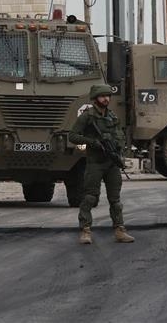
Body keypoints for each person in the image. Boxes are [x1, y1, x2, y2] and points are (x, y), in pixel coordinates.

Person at [69, 84, 134, 245]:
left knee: (115, 200)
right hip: (95, 163)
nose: (106, 99)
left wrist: (118, 150)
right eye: (102, 96)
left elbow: (120, 136)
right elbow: (73, 136)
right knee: (90, 198)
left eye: (108, 96)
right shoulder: (87, 116)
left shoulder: (112, 116)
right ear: (95, 98)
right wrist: (92, 142)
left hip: (111, 163)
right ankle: (85, 231)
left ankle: (119, 230)